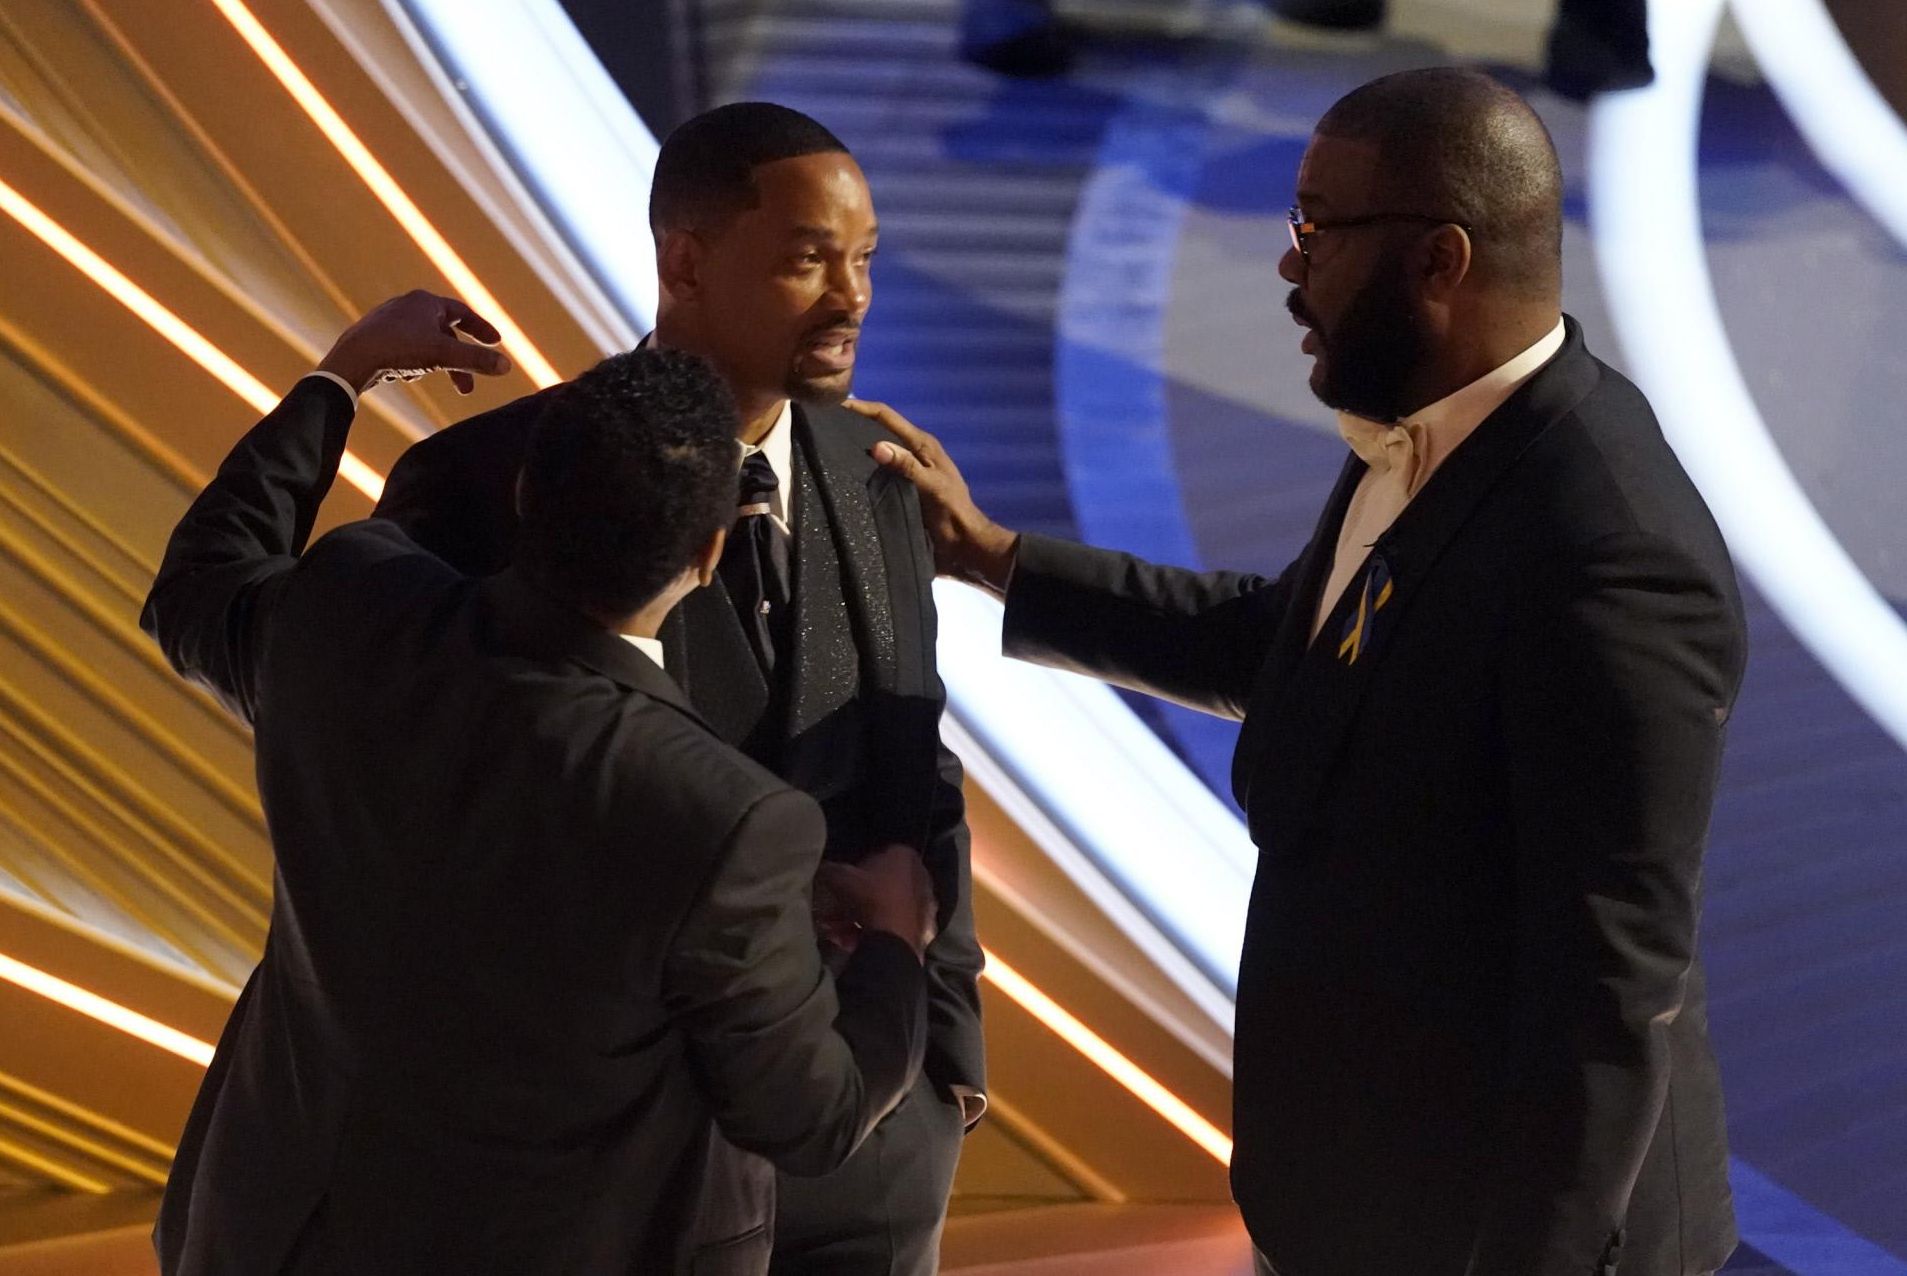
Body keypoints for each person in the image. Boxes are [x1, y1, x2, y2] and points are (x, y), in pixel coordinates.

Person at [855, 68, 1744, 1276]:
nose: (1287, 264)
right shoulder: (1432, 421)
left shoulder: (1610, 553)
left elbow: (1606, 983)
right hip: (1357, 1200)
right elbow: (1289, 646)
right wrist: (991, 558)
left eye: (1317, 229)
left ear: (1437, 261)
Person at [141, 292, 936, 1275]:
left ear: (525, 493)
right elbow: (813, 1118)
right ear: (708, 553)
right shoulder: (725, 819)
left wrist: (343, 374)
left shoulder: (347, 606)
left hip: (270, 1237)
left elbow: (200, 583)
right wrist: (895, 943)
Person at [374, 104, 984, 1276]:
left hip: (872, 1151)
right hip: (615, 1173)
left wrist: (944, 1069)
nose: (851, 298)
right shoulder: (483, 481)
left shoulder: (878, 472)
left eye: (864, 260)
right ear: (685, 262)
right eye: (809, 259)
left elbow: (919, 766)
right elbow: (432, 825)